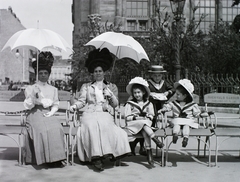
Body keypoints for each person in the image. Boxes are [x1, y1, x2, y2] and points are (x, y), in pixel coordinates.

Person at [69, 48, 131, 171]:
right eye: (96, 71)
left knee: (105, 125)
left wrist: (111, 95)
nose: (98, 73)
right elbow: (82, 101)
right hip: (90, 112)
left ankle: (107, 153)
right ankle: (96, 157)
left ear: (104, 72)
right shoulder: (86, 86)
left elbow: (115, 104)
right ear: (92, 72)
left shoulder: (111, 86)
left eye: (100, 71)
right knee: (91, 126)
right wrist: (74, 106)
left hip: (104, 111)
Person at [23, 51, 66, 167]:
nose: (43, 75)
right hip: (34, 113)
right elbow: (27, 105)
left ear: (48, 74)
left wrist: (52, 112)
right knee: (42, 129)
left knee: (57, 127)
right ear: (37, 74)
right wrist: (33, 96)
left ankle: (56, 158)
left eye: (45, 73)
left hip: (48, 113)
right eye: (40, 73)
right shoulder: (31, 88)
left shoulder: (53, 89)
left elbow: (56, 104)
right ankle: (45, 158)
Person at [129, 65, 174, 156]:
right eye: (155, 75)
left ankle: (139, 146)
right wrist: (150, 95)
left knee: (152, 127)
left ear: (162, 75)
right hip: (148, 107)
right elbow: (143, 93)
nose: (157, 78)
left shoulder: (164, 83)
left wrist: (167, 92)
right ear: (151, 75)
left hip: (159, 107)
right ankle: (138, 146)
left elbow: (173, 89)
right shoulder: (148, 84)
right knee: (144, 127)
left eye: (159, 75)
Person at [124, 77, 164, 168]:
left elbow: (151, 115)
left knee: (145, 128)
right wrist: (136, 117)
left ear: (143, 92)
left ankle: (149, 154)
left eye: (138, 92)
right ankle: (154, 141)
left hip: (144, 124)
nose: (137, 95)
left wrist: (147, 116)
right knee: (144, 125)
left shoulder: (148, 103)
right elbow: (127, 117)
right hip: (133, 125)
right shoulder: (130, 104)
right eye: (135, 93)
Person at [158, 79, 208, 147]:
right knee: (176, 125)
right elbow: (167, 107)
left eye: (178, 94)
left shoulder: (192, 105)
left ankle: (185, 138)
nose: (176, 96)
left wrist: (202, 115)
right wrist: (163, 109)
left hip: (187, 121)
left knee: (186, 126)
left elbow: (196, 114)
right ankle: (175, 135)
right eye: (176, 94)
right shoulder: (173, 103)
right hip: (177, 121)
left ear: (184, 96)